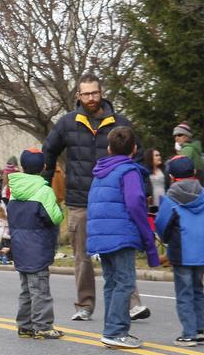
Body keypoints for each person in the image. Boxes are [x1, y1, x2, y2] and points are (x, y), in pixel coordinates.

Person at [42, 73, 150, 322]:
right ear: (78, 96)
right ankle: (84, 305)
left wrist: (138, 189)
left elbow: (138, 156)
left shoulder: (119, 122)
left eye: (95, 93)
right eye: (86, 94)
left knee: (121, 251)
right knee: (82, 257)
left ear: (102, 93)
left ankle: (133, 304)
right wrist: (45, 185)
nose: (91, 98)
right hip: (81, 200)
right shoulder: (67, 123)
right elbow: (49, 150)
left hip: (115, 200)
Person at [86, 126, 161, 349]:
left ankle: (111, 328)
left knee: (112, 282)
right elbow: (135, 204)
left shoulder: (100, 172)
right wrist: (147, 236)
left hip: (101, 234)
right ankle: (115, 331)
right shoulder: (128, 171)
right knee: (125, 282)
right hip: (121, 234)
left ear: (109, 148)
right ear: (134, 149)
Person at [154, 156, 204, 347]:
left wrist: (165, 240)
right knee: (198, 289)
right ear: (194, 173)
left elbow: (162, 225)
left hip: (182, 251)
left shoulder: (170, 198)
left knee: (184, 292)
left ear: (172, 176)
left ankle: (188, 334)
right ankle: (199, 330)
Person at [6, 149, 65, 339]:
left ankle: (25, 325)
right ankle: (43, 325)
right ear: (44, 167)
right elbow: (54, 217)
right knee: (40, 289)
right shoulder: (43, 191)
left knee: (26, 290)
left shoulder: (14, 191)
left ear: (23, 167)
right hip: (37, 247)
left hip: (20, 247)